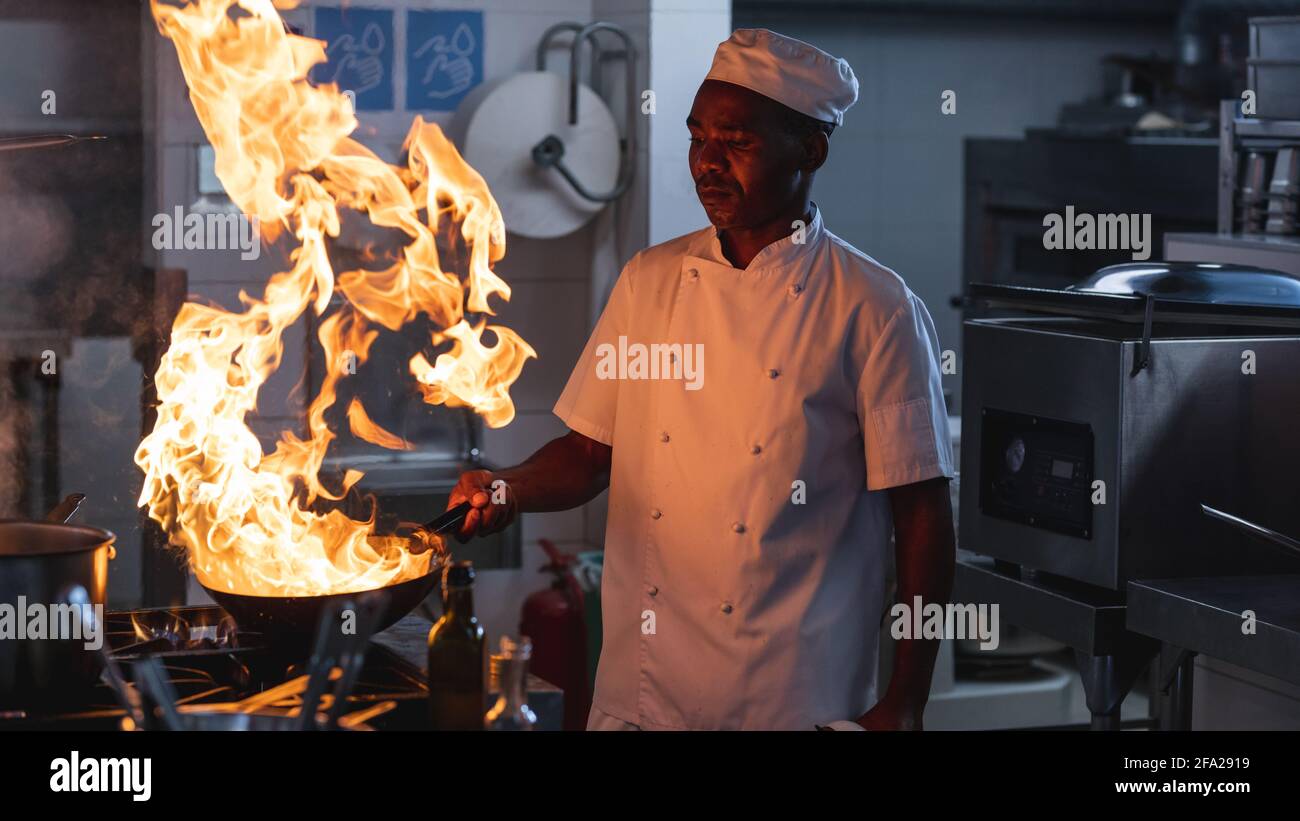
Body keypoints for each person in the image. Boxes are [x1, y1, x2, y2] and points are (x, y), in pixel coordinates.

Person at [441, 28, 955, 730]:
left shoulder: (875, 307)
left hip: (794, 695)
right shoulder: (650, 281)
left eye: (736, 142)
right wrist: (507, 488)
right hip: (646, 693)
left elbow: (923, 519)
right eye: (697, 139)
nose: (707, 164)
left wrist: (907, 700)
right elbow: (592, 453)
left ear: (810, 151)